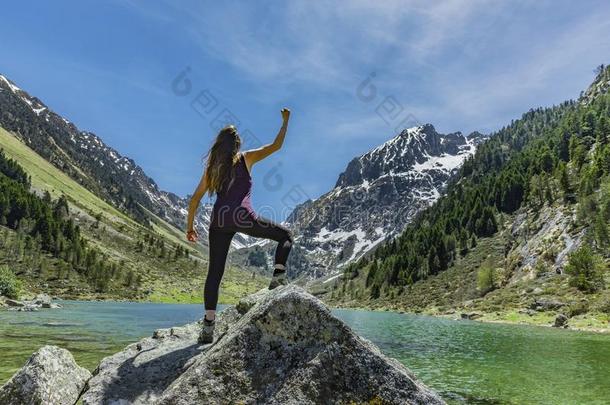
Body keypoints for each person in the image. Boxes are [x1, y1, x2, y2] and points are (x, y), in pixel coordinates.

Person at [186, 108, 294, 344]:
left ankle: (208, 327)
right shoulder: (245, 158)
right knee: (285, 235)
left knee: (214, 272)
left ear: (219, 145)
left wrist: (190, 228)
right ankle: (277, 275)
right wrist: (285, 121)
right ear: (236, 144)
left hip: (218, 221)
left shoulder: (212, 169)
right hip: (241, 216)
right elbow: (276, 146)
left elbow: (194, 200)